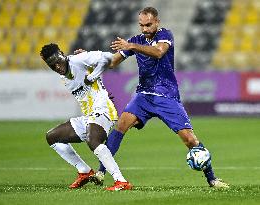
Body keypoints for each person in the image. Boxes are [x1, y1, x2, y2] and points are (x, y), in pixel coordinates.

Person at [94, 7, 229, 188]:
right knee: (120, 126)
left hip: (166, 95)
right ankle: (101, 172)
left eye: (148, 25)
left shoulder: (165, 35)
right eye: (141, 25)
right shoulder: (136, 40)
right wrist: (89, 58)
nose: (144, 29)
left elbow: (158, 52)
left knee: (190, 139)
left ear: (157, 22)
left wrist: (131, 46)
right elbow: (112, 62)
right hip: (143, 95)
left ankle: (212, 179)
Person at [40, 43, 132, 191]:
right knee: (52, 137)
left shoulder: (78, 60)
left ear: (62, 54)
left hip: (104, 110)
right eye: (52, 65)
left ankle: (121, 181)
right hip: (89, 117)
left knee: (92, 139)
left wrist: (93, 75)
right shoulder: (65, 77)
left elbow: (108, 58)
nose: (56, 66)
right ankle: (84, 171)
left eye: (57, 61)